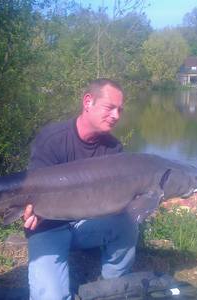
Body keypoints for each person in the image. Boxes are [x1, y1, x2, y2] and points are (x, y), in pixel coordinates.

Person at [24, 78, 139, 300]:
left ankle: (113, 287)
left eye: (120, 110)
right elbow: (32, 191)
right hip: (47, 226)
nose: (116, 116)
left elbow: (115, 200)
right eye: (110, 108)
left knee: (127, 221)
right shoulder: (52, 139)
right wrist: (30, 211)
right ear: (88, 102)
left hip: (85, 223)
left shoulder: (113, 148)